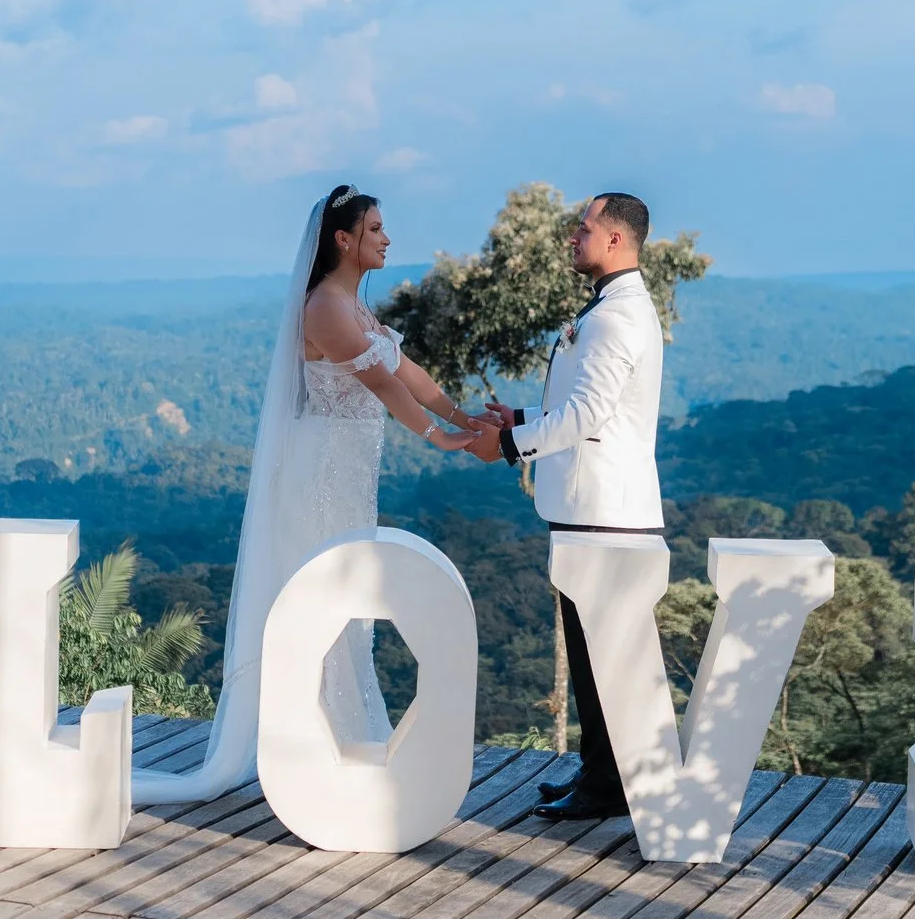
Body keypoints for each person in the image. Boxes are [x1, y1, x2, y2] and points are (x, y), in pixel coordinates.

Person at [132, 186, 484, 804]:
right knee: (322, 597)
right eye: (375, 228)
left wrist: (466, 417)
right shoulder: (325, 307)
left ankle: (341, 745)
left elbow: (410, 374)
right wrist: (443, 439)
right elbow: (381, 385)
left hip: (349, 478)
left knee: (350, 601)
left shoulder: (356, 305)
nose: (386, 237)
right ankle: (310, 751)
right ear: (343, 241)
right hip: (320, 477)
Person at [466, 191, 664, 821]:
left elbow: (587, 416)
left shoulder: (617, 317)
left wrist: (508, 443)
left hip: (603, 510)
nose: (572, 238)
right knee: (590, 654)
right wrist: (522, 416)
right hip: (594, 509)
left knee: (599, 655)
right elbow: (592, 409)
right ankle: (600, 772)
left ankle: (608, 786)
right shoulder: (613, 308)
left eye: (583, 229)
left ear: (615, 240)